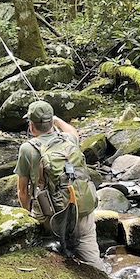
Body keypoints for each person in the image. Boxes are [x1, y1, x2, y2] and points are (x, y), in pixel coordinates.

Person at [14, 99, 104, 270]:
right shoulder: (70, 140)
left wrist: (26, 218)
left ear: (31, 126)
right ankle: (100, 277)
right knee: (92, 259)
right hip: (81, 209)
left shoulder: (28, 149)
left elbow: (22, 191)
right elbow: (72, 130)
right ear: (50, 122)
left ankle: (55, 254)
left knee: (45, 243)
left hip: (52, 218)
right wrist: (56, 120)